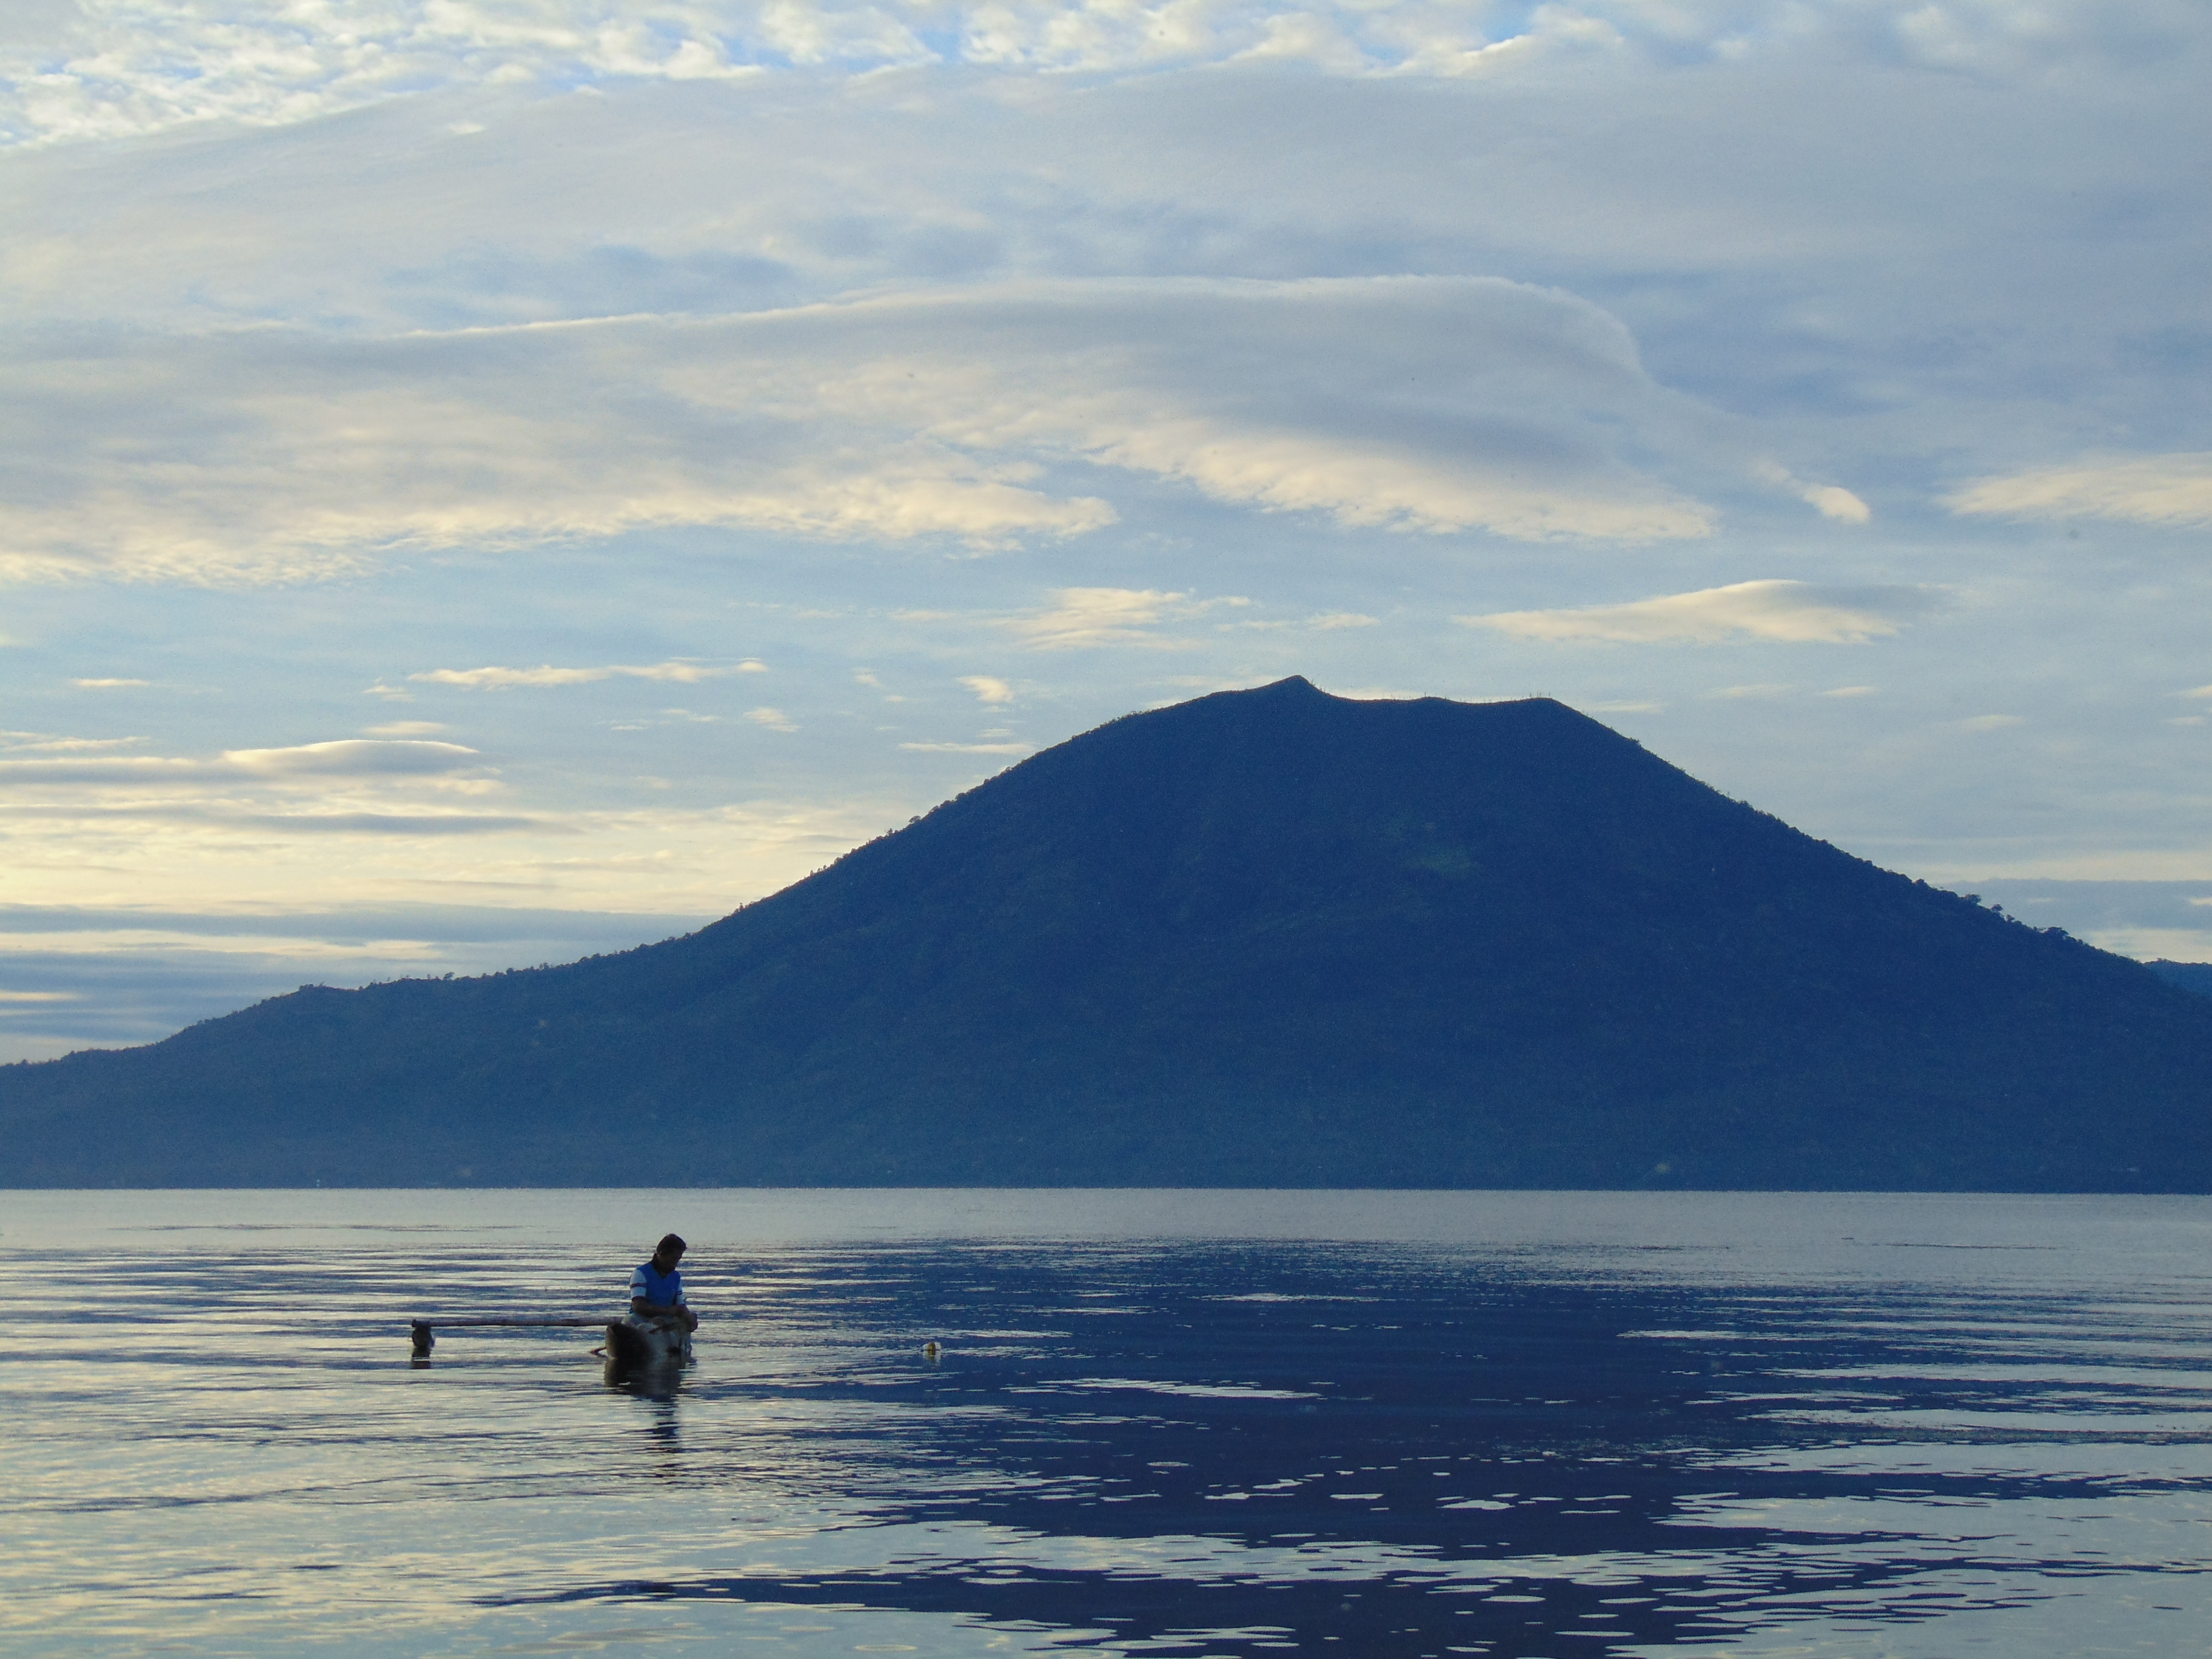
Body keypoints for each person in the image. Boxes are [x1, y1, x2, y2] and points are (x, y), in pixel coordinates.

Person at [629, 1233, 699, 1335]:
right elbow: (639, 1307)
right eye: (673, 1258)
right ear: (661, 1254)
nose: (676, 1263)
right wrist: (669, 1311)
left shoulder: (676, 1277)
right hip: (641, 1321)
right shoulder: (640, 1273)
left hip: (665, 1323)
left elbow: (680, 1305)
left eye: (678, 1259)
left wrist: (687, 1316)